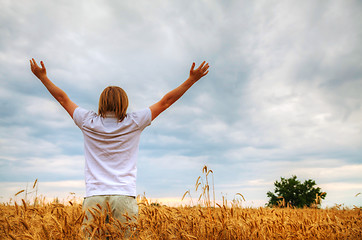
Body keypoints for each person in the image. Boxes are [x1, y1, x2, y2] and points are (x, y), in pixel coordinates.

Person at [30, 58, 209, 235]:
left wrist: (42, 77)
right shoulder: (134, 122)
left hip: (94, 197)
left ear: (101, 102)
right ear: (125, 103)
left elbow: (62, 99)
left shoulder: (87, 121)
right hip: (124, 195)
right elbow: (165, 102)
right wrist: (191, 80)